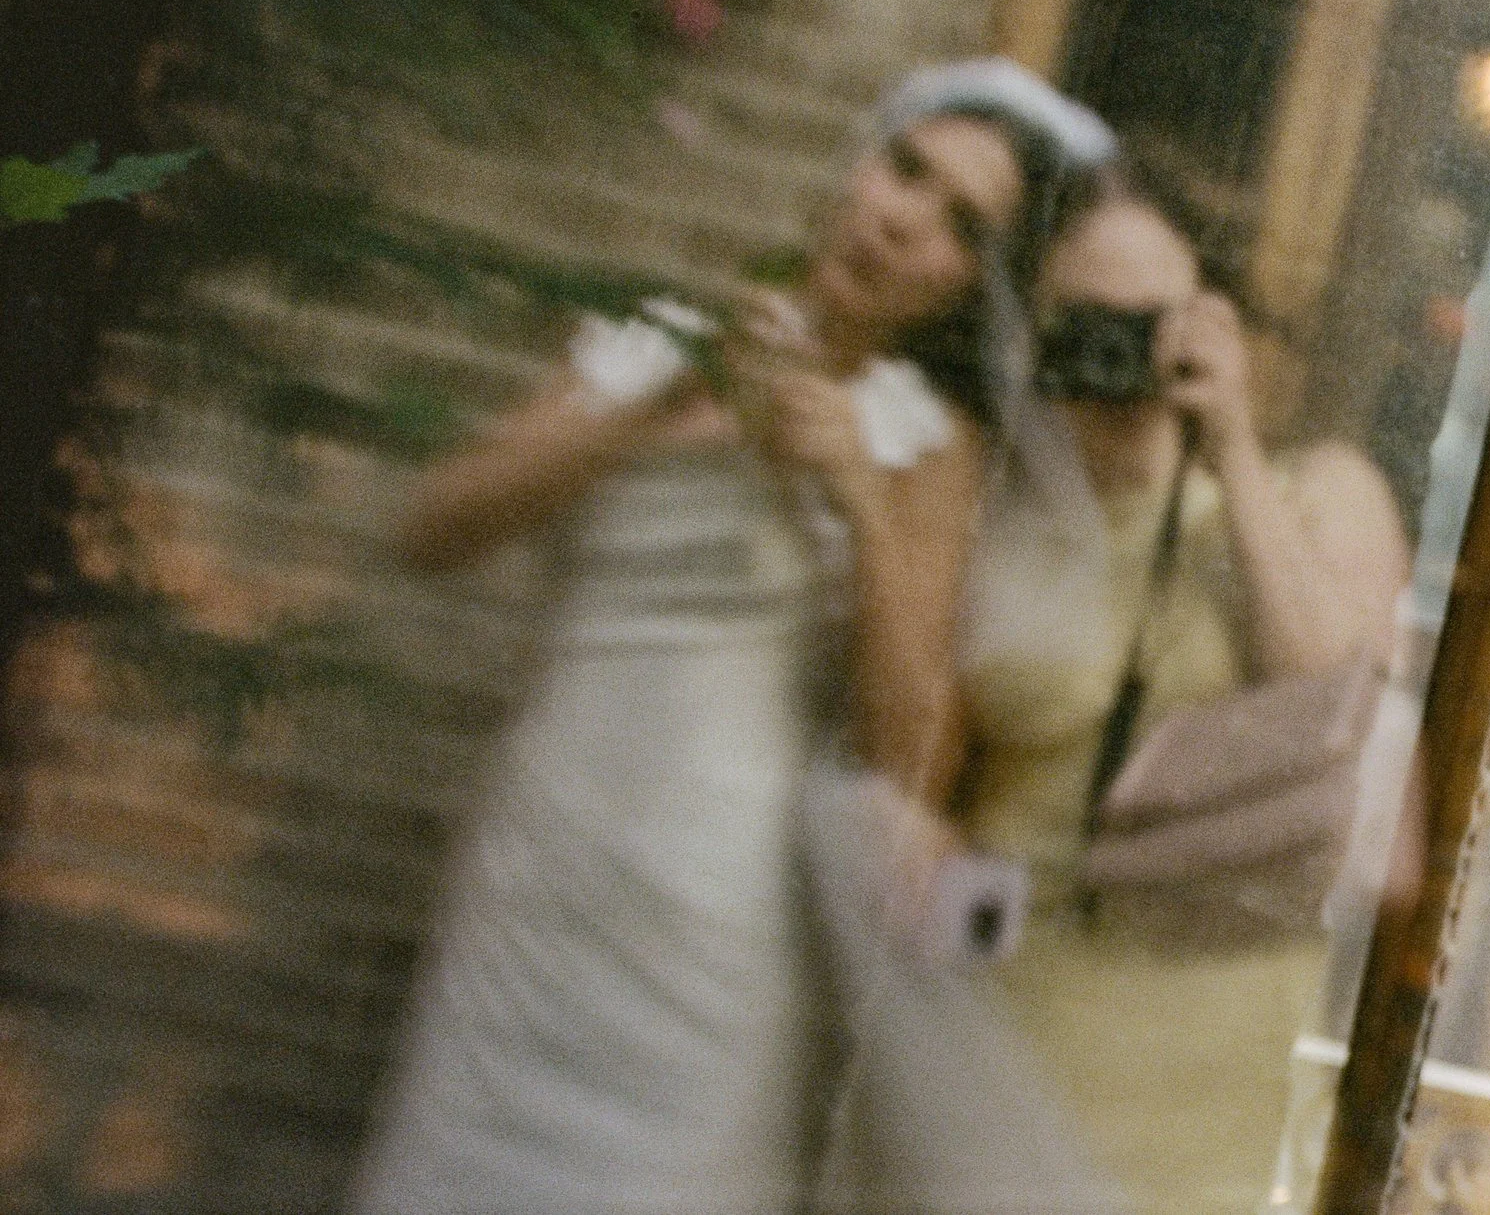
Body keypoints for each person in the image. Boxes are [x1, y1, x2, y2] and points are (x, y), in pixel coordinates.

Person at [352, 60, 1111, 1215]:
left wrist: (858, 496)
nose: (902, 222)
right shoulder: (657, 343)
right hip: (543, 869)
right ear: (858, 165)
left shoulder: (923, 441)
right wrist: (651, 413)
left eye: (961, 227)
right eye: (905, 170)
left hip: (714, 917)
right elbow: (430, 530)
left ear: (968, 284)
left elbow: (916, 756)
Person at [950, 189, 1411, 1215]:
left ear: (1207, 327)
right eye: (1086, 320)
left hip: (1204, 1057)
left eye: (1148, 323)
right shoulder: (995, 512)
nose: (1119, 354)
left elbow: (1329, 702)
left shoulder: (1301, 498)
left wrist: (1231, 443)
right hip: (1004, 1026)